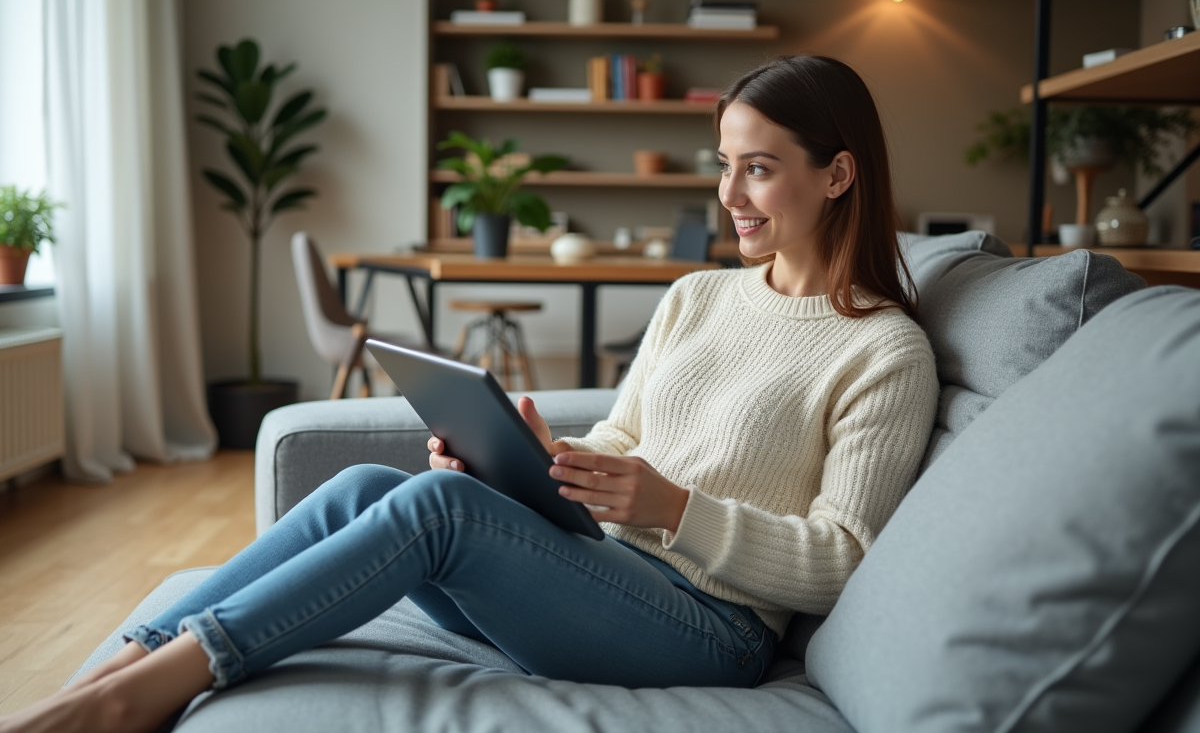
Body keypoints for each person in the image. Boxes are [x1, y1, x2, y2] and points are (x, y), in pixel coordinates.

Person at [0, 54, 939, 733]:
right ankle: (131, 654)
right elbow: (621, 432)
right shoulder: (700, 296)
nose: (729, 192)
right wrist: (533, 463)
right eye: (724, 162)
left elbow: (843, 559)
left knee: (440, 511)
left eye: (760, 167)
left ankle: (146, 692)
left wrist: (676, 507)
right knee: (373, 490)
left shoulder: (882, 352)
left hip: (710, 629)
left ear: (839, 173)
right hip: (601, 572)